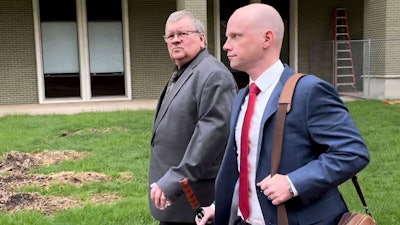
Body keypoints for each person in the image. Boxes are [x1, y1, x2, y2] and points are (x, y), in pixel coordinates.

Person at [196, 3, 370, 225]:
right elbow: (245, 165)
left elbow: (352, 152)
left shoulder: (308, 91)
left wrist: (293, 183)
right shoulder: (242, 97)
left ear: (266, 38)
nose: (226, 45)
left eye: (235, 36)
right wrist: (218, 207)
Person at [148, 10, 238, 225]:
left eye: (183, 33)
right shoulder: (184, 71)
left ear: (201, 38)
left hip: (194, 198)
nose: (176, 39)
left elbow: (211, 137)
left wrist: (175, 180)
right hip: (175, 199)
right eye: (170, 36)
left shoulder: (213, 75)